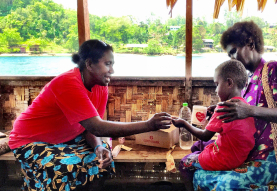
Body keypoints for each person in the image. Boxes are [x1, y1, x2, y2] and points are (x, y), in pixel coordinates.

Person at [8, 39, 172, 191]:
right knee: (64, 167)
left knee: (101, 159)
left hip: (68, 138)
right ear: (89, 64)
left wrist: (98, 146)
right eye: (107, 64)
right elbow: (98, 127)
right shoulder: (67, 83)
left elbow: (91, 128)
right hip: (31, 140)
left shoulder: (100, 85)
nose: (112, 70)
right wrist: (148, 125)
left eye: (112, 64)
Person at [192, 21, 277, 191]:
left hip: (272, 156)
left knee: (223, 186)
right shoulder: (249, 81)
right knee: (199, 175)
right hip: (246, 154)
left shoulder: (274, 69)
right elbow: (244, 114)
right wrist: (221, 110)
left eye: (234, 52)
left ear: (250, 43)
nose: (232, 59)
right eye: (229, 56)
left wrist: (248, 110)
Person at [172, 60, 256, 191]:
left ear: (229, 83)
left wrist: (184, 123)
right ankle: (202, 158)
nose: (216, 90)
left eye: (217, 85)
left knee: (184, 163)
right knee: (196, 146)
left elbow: (205, 136)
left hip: (225, 159)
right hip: (238, 155)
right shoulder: (246, 107)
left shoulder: (224, 107)